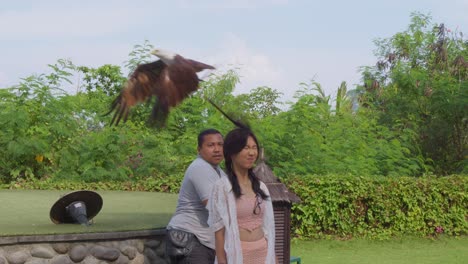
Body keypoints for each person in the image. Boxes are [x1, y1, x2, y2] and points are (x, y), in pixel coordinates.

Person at [209, 127, 276, 264]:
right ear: (232, 152)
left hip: (263, 253)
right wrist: (222, 261)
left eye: (254, 147)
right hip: (238, 256)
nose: (251, 153)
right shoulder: (222, 187)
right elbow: (219, 232)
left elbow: (268, 226)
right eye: (246, 148)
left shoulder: (261, 187)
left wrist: (274, 258)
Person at [166, 128, 226, 264]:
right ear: (199, 149)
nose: (217, 149)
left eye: (220, 144)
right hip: (189, 239)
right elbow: (215, 207)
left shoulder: (218, 171)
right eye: (211, 145)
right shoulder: (200, 167)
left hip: (202, 241)